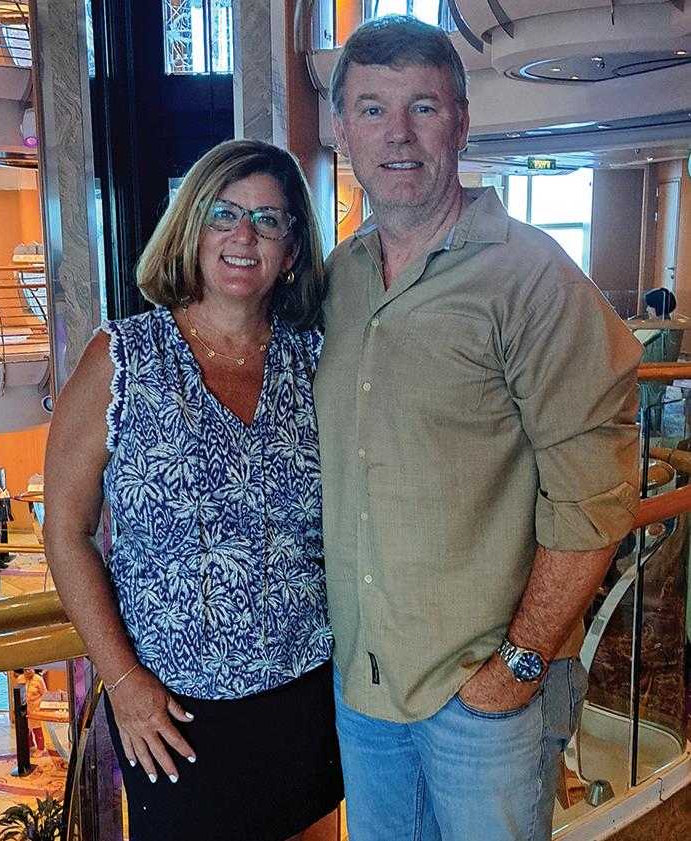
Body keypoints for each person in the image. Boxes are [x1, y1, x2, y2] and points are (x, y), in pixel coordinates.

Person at [314, 15, 643, 841]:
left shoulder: (532, 278)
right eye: (372, 108)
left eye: (422, 107)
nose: (397, 133)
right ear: (342, 128)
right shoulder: (339, 278)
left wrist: (517, 666)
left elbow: (596, 498)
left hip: (487, 700)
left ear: (460, 123)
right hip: (366, 688)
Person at [44, 139, 343, 841]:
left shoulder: (318, 358)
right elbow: (66, 530)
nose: (244, 236)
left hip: (306, 694)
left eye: (268, 220)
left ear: (292, 250)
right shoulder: (122, 358)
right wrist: (122, 681)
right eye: (223, 214)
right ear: (191, 230)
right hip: (168, 712)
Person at [17, 668, 48, 755]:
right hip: (24, 708)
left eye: (29, 669)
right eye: (25, 670)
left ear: (33, 669)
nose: (27, 672)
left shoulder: (38, 679)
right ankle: (30, 746)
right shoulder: (20, 678)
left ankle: (41, 748)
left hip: (36, 708)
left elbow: (44, 694)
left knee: (37, 730)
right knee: (26, 729)